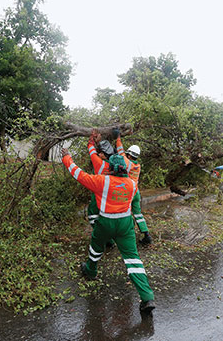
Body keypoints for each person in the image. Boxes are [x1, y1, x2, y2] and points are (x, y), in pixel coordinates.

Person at [61, 147, 156, 314]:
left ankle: (91, 270)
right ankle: (147, 297)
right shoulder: (133, 185)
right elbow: (135, 204)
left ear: (110, 168)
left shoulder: (101, 181)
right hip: (125, 224)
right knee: (133, 259)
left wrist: (67, 157)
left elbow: (79, 174)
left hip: (106, 222)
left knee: (96, 246)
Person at [114, 129, 153, 245]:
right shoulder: (137, 166)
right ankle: (146, 235)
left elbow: (120, 151)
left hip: (128, 193)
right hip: (136, 192)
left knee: (125, 213)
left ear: (129, 155)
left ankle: (126, 234)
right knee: (138, 214)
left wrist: (118, 138)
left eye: (127, 154)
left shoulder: (127, 162)